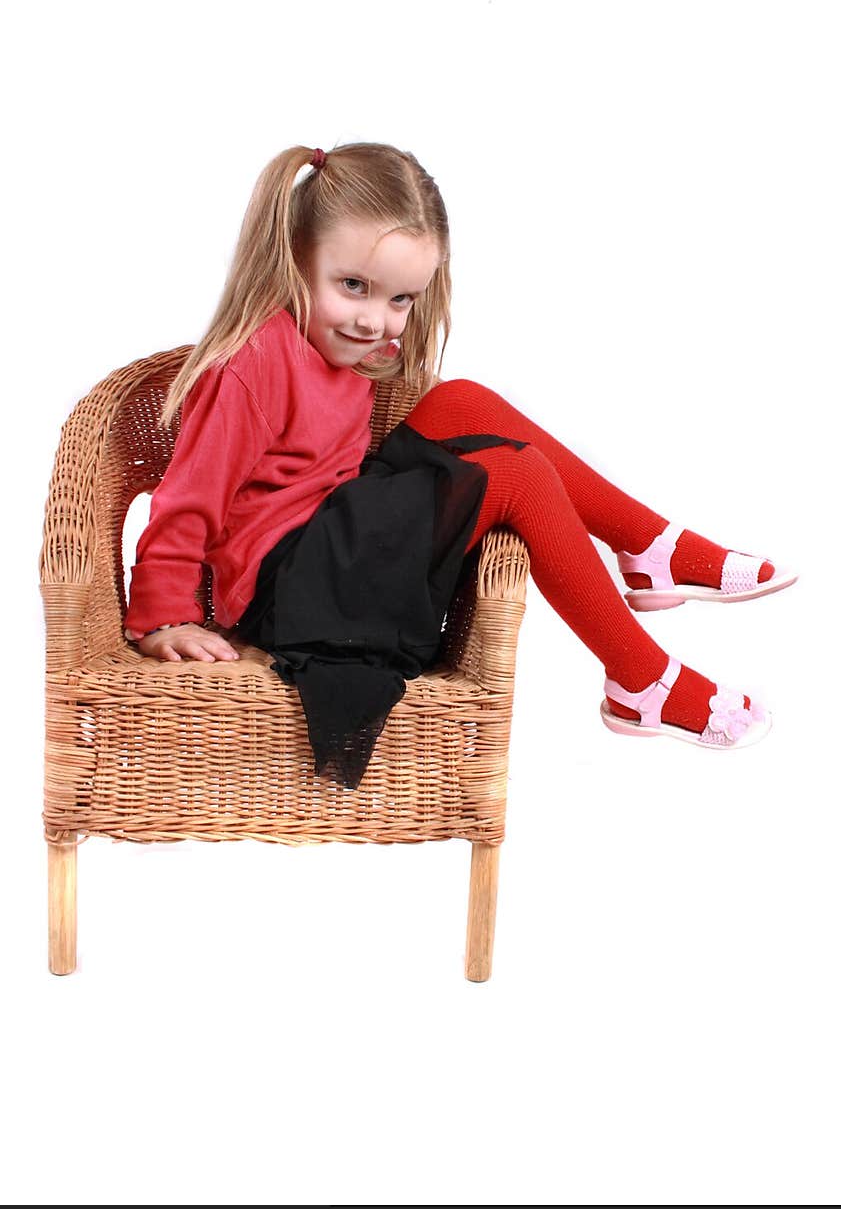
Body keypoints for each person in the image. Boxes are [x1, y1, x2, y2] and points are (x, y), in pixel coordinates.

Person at [123, 141, 797, 788]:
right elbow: (189, 497)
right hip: (292, 590)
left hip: (332, 536)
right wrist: (164, 617)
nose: (374, 321)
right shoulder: (252, 365)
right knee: (516, 475)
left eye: (399, 299)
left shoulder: (338, 350)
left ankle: (648, 545)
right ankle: (639, 680)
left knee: (461, 401)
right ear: (293, 258)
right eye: (353, 286)